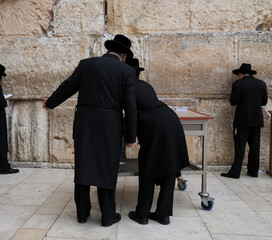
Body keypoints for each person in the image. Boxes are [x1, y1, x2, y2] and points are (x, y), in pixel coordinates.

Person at [43, 35, 137, 227]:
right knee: (106, 168)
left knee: (84, 166)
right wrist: (130, 136)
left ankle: (82, 214)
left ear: (108, 50)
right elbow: (131, 106)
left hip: (85, 123)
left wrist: (50, 103)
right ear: (124, 56)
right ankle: (107, 216)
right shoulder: (126, 71)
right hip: (111, 125)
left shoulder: (86, 64)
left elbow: (67, 87)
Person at [126, 58, 190, 225]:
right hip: (170, 120)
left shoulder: (127, 87)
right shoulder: (146, 85)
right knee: (169, 165)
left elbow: (131, 114)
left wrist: (129, 137)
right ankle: (163, 214)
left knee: (148, 165)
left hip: (155, 125)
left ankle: (142, 214)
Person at [221, 63, 267, 179]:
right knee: (255, 147)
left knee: (240, 146)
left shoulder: (238, 84)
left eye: (238, 75)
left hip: (242, 120)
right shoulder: (261, 84)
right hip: (256, 120)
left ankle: (235, 172)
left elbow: (233, 101)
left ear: (241, 74)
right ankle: (253, 171)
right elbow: (264, 102)